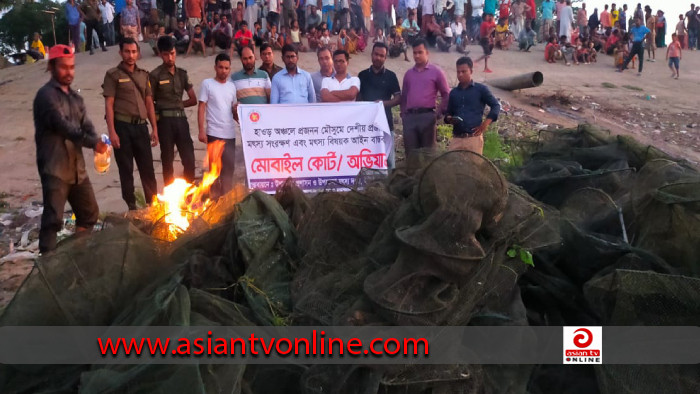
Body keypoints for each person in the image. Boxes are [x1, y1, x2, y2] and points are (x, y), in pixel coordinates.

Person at [33, 45, 109, 253]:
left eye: (72, 67)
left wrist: (98, 142)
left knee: (89, 213)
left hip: (77, 170)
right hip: (55, 168)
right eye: (64, 67)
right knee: (53, 219)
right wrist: (92, 143)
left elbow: (87, 126)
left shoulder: (76, 98)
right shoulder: (45, 96)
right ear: (51, 66)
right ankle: (47, 267)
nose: (69, 72)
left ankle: (77, 256)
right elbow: (64, 127)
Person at [102, 38, 159, 211]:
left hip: (141, 127)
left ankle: (152, 204)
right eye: (127, 51)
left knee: (147, 168)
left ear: (138, 53)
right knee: (126, 170)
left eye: (134, 52)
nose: (130, 55)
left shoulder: (143, 75)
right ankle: (132, 206)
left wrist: (154, 129)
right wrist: (112, 132)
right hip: (122, 128)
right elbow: (109, 104)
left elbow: (149, 103)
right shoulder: (113, 75)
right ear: (121, 53)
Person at [150, 37, 197, 186]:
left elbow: (193, 99)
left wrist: (177, 104)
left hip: (181, 120)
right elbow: (149, 102)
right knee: (167, 161)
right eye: (166, 54)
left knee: (189, 159)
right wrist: (154, 128)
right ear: (160, 54)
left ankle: (190, 194)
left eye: (172, 53)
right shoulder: (155, 75)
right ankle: (171, 197)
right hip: (164, 123)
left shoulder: (182, 74)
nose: (170, 58)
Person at [399, 39, 450, 154]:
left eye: (420, 52)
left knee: (428, 154)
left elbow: (446, 94)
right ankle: (412, 173)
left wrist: (438, 113)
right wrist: (403, 115)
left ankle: (428, 173)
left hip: (427, 117)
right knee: (411, 155)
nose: (417, 55)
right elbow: (404, 96)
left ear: (427, 53)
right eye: (414, 53)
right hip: (410, 118)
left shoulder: (436, 72)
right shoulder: (409, 74)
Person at [198, 53, 238, 198]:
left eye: (226, 68)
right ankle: (213, 202)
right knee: (214, 171)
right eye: (221, 67)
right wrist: (201, 130)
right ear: (215, 67)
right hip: (214, 133)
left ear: (229, 69)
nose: (224, 71)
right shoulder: (207, 84)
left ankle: (225, 201)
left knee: (229, 170)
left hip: (230, 134)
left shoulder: (232, 87)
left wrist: (241, 117)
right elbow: (201, 106)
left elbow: (233, 110)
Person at [358, 42, 401, 169]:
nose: (378, 58)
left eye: (382, 56)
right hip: (367, 126)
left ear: (385, 58)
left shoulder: (391, 76)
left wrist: (383, 104)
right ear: (371, 55)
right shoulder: (362, 75)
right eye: (376, 54)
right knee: (367, 158)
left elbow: (398, 98)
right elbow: (358, 99)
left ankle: (390, 187)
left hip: (386, 124)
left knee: (389, 161)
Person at [444, 56, 499, 155]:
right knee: (452, 168)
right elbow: (448, 112)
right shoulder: (453, 93)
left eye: (464, 71)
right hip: (457, 139)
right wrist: (449, 118)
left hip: (473, 139)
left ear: (471, 71)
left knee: (473, 169)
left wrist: (485, 125)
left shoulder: (481, 89)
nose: (460, 74)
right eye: (458, 72)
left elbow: (496, 105)